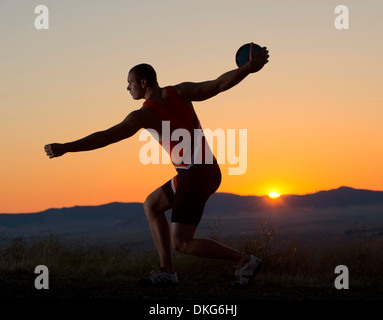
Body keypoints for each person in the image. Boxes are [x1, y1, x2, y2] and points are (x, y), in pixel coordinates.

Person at [44, 43, 269, 287]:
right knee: (152, 205)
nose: (126, 88)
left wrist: (67, 147)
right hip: (201, 170)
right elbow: (217, 84)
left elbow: (106, 136)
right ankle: (167, 272)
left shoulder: (143, 114)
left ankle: (244, 261)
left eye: (129, 83)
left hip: (195, 175)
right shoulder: (180, 91)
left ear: (143, 83)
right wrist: (247, 68)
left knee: (182, 243)